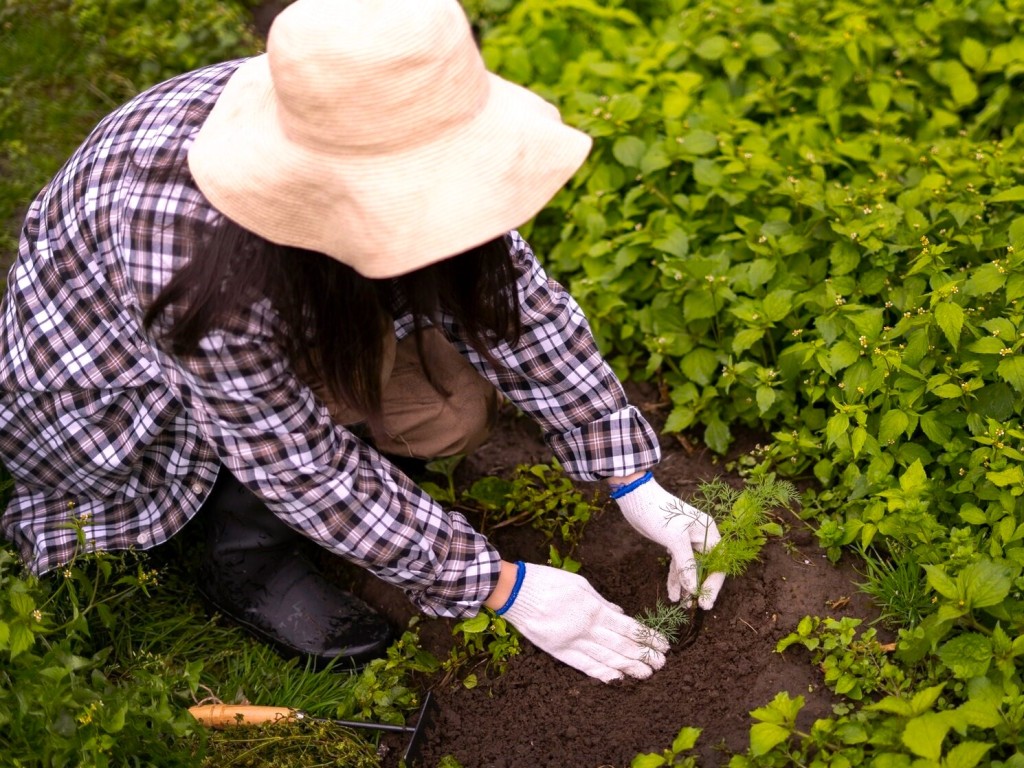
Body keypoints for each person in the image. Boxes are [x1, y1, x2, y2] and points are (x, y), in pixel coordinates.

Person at [0, 0, 725, 683]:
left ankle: (369, 505)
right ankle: (243, 558)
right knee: (297, 459)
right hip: (119, 388)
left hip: (296, 308)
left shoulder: (376, 102)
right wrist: (505, 587)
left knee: (445, 416)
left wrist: (631, 477)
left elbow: (519, 307)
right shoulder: (195, 257)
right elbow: (297, 462)